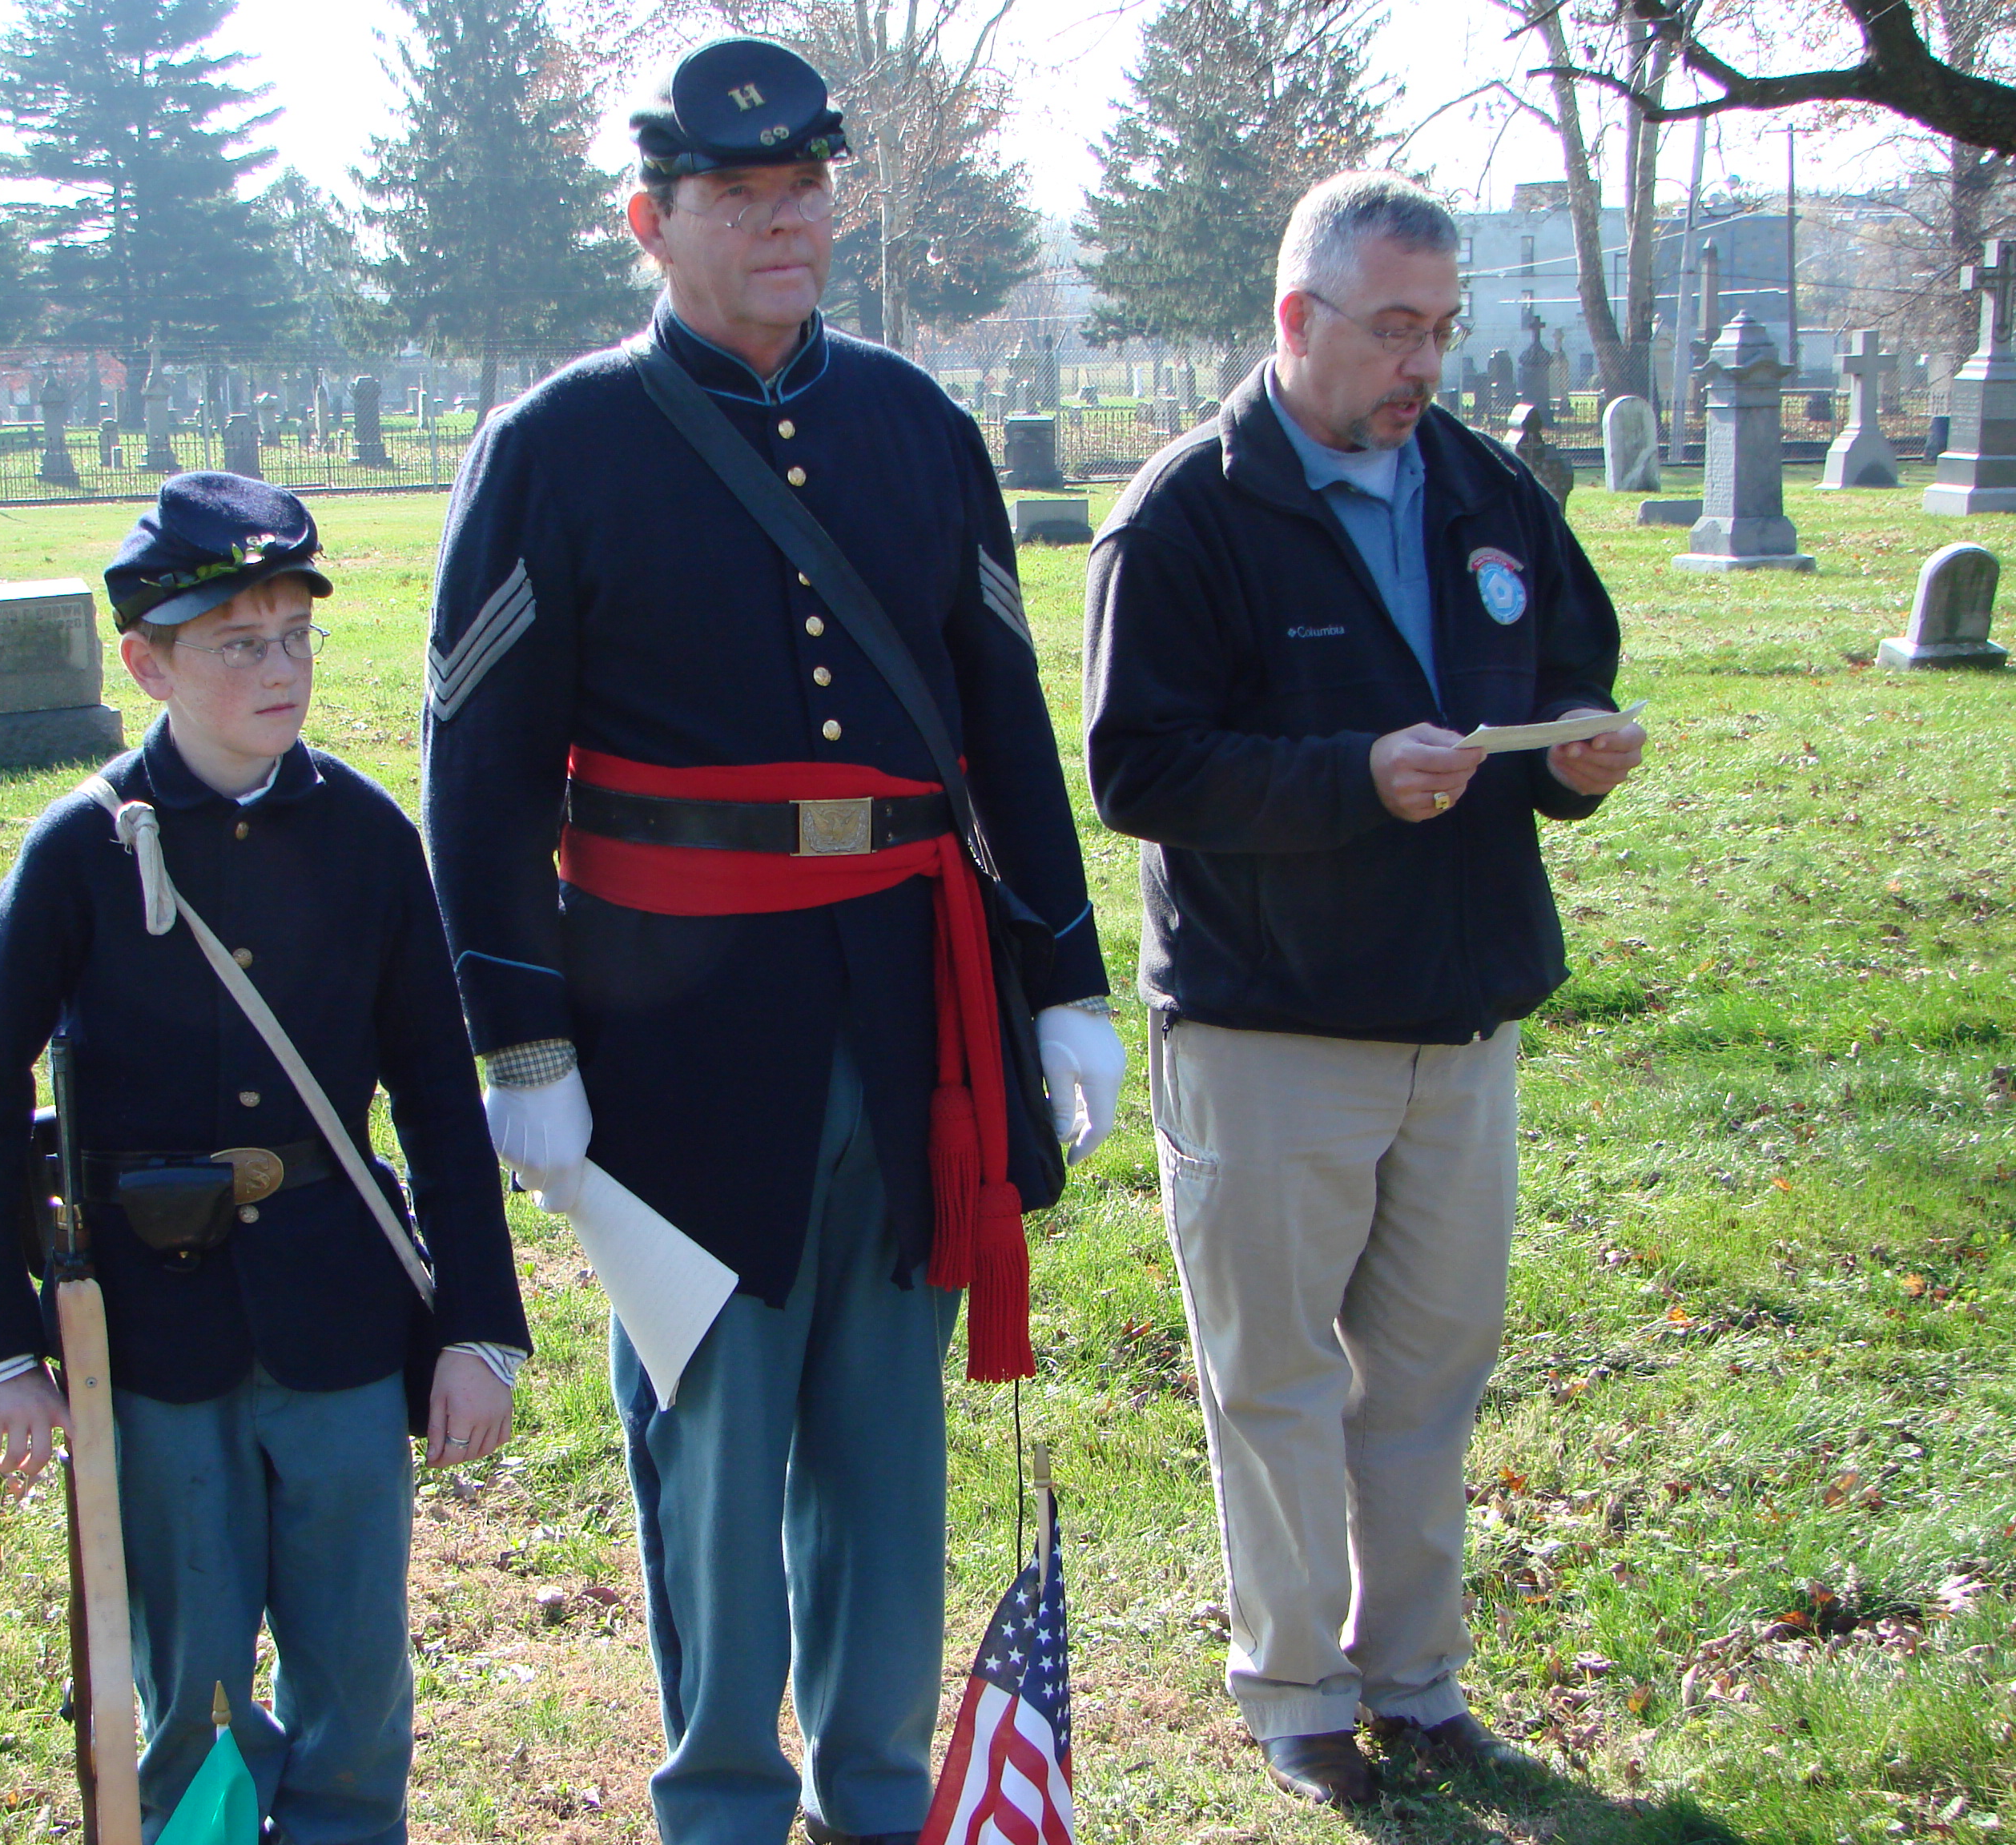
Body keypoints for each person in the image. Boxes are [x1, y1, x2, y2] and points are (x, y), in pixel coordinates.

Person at [419, 38, 1125, 1845]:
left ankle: (873, 1791)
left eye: (804, 189)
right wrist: (523, 1045)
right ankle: (724, 1798)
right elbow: (481, 779)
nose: (782, 223)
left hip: (906, 1004)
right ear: (650, 221)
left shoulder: (918, 427)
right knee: (717, 1438)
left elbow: (1002, 722)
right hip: (673, 1031)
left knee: (886, 1436)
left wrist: (1064, 977)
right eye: (737, 197)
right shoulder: (555, 448)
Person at [1082, 172, 1645, 1807]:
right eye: (1396, 329)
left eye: (1442, 329)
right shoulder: (1185, 516)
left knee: (1429, 1374)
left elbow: (1566, 665)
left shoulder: (1483, 486)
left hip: (1459, 1016)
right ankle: (1297, 1692)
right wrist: (1350, 778)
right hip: (1270, 1027)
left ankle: (1416, 1678)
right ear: (1297, 319)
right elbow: (1138, 766)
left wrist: (1578, 753)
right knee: (1277, 1382)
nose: (1424, 365)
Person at [0, 472, 531, 1845]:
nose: (280, 670)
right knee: (191, 1690)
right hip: (153, 1334)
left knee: (358, 1680)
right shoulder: (81, 849)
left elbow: (440, 1099)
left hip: (339, 1315)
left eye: (296, 636)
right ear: (147, 664)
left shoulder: (367, 834)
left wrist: (479, 1331)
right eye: (237, 643)